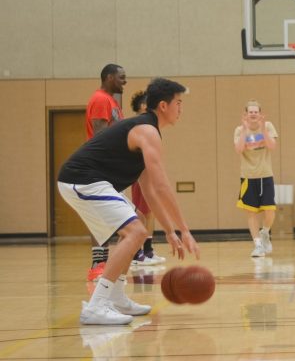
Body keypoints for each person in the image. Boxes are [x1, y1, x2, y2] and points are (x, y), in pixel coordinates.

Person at [58, 78, 199, 325]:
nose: (182, 109)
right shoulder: (147, 131)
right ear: (164, 106)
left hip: (90, 181)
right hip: (81, 180)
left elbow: (150, 192)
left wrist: (169, 231)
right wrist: (184, 230)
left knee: (139, 223)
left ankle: (117, 297)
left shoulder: (147, 131)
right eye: (179, 102)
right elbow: (162, 186)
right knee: (136, 231)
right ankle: (96, 305)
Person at [85, 64, 128, 283]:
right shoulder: (101, 99)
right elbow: (100, 136)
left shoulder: (112, 101)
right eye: (121, 77)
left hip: (110, 166)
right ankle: (97, 264)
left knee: (112, 215)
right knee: (102, 214)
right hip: (100, 166)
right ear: (109, 77)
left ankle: (104, 262)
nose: (125, 81)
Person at [234, 100, 279, 257]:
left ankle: (265, 232)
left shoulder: (268, 126)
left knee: (270, 211)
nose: (253, 114)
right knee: (251, 213)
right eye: (250, 112)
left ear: (260, 114)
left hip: (266, 175)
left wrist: (263, 127)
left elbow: (272, 146)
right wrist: (246, 130)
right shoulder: (239, 130)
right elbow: (239, 149)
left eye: (256, 112)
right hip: (248, 177)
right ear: (245, 115)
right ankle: (258, 245)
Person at [128, 90, 165, 266]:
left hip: (149, 171)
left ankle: (148, 250)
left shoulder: (151, 124)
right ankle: (136, 253)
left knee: (150, 212)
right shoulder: (138, 125)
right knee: (141, 212)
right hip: (139, 173)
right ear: (143, 106)